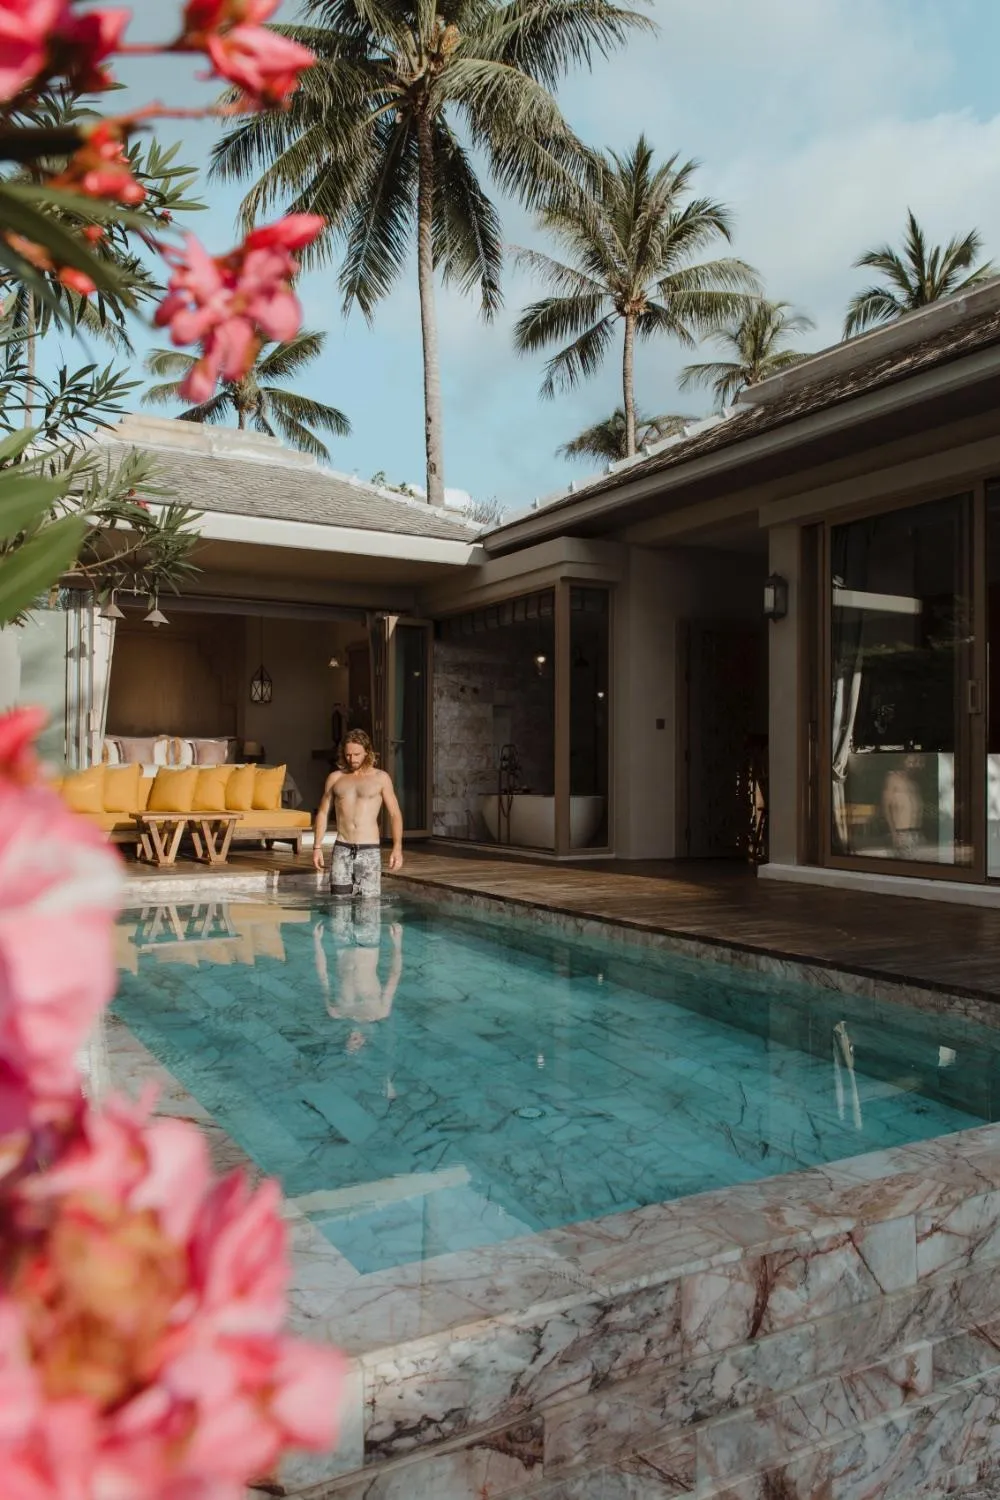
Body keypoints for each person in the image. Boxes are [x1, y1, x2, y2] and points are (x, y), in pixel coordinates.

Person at [312, 729, 403, 896]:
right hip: (342, 848)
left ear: (367, 752)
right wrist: (317, 847)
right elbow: (323, 813)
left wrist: (397, 848)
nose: (352, 759)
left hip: (369, 849)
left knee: (369, 907)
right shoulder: (335, 778)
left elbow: (394, 814)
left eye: (356, 754)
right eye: (348, 755)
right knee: (339, 904)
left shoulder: (381, 778)